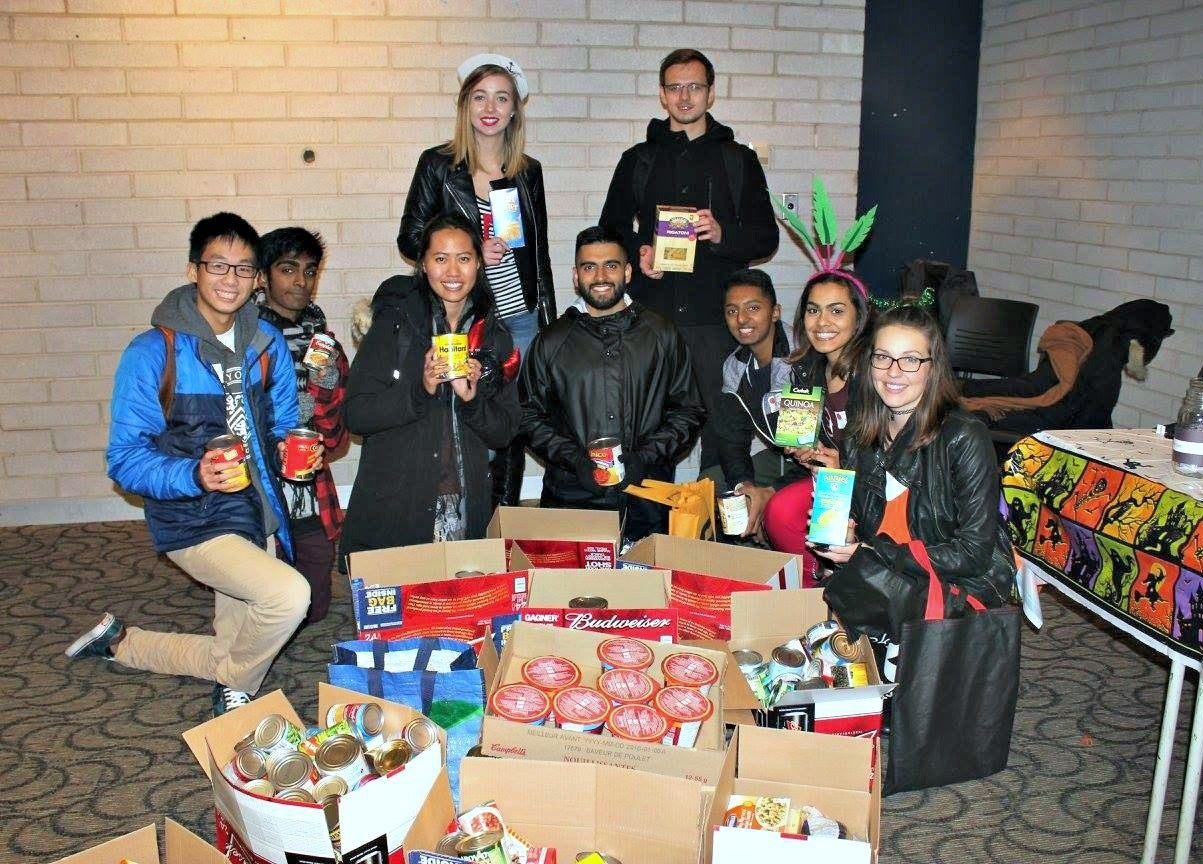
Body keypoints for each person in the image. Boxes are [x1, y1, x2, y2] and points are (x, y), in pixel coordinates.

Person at [67, 212, 311, 716]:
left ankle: (122, 644)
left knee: (233, 648)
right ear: (192, 270)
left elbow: (287, 424)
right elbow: (126, 459)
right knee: (288, 598)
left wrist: (293, 449)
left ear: (257, 279)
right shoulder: (153, 352)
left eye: (244, 269)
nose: (231, 280)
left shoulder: (266, 346)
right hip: (193, 516)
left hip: (258, 509)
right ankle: (233, 687)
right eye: (217, 266)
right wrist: (194, 474)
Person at [600, 48, 778, 472]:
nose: (684, 97)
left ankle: (714, 528)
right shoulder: (638, 160)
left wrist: (722, 234)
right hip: (651, 317)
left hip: (715, 321)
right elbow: (609, 231)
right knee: (647, 429)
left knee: (722, 430)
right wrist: (636, 252)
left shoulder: (738, 160)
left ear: (710, 93)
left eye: (694, 87)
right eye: (675, 87)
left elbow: (766, 236)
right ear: (662, 95)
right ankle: (648, 530)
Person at [817, 304, 1016, 675]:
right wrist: (845, 530)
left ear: (932, 366)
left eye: (910, 360)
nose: (893, 372)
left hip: (954, 585)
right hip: (891, 576)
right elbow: (868, 521)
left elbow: (972, 554)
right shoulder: (861, 433)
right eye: (883, 357)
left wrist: (872, 553)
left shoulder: (963, 436)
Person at [398, 52, 554, 508]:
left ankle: (503, 515)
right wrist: (468, 252)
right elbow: (410, 239)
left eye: (502, 98)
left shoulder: (529, 172)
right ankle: (460, 515)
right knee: (462, 415)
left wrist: (547, 322)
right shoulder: (438, 165)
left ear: (514, 110)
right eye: (480, 97)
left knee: (512, 421)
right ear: (465, 105)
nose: (490, 107)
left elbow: (539, 251)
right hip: (466, 320)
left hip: (520, 319)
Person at [340, 212, 521, 561]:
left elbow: (504, 432)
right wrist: (419, 390)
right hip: (398, 506)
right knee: (403, 611)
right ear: (423, 264)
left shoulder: (494, 336)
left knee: (459, 611)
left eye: (464, 258)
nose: (453, 272)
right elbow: (356, 415)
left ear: (479, 264)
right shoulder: (394, 324)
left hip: (465, 511)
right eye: (440, 259)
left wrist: (471, 401)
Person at [520, 225, 706, 545]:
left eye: (611, 265)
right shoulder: (551, 342)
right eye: (589, 267)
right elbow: (527, 415)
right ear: (576, 276)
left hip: (646, 501)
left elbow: (689, 410)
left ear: (628, 272)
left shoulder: (661, 334)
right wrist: (575, 461)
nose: (601, 276)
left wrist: (644, 458)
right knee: (567, 595)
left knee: (644, 594)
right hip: (571, 502)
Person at [256, 227, 348, 624]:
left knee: (314, 612)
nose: (300, 281)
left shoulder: (323, 341)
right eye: (288, 269)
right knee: (267, 604)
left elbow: (337, 437)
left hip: (309, 486)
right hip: (256, 482)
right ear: (263, 275)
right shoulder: (246, 338)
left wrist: (323, 394)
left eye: (309, 271)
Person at [756, 271, 872, 583]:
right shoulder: (806, 368)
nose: (822, 322)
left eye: (836, 310)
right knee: (779, 512)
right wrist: (805, 452)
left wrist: (842, 467)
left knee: (818, 517)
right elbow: (806, 445)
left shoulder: (875, 373)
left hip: (871, 488)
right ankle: (813, 588)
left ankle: (838, 585)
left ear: (858, 317)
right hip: (834, 483)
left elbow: (887, 458)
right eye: (813, 309)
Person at [707, 268, 797, 531]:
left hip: (818, 465)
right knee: (711, 485)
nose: (742, 319)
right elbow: (732, 440)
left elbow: (806, 450)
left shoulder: (801, 359)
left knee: (778, 507)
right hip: (781, 456)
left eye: (753, 308)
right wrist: (743, 485)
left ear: (775, 312)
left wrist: (770, 491)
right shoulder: (735, 367)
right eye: (732, 311)